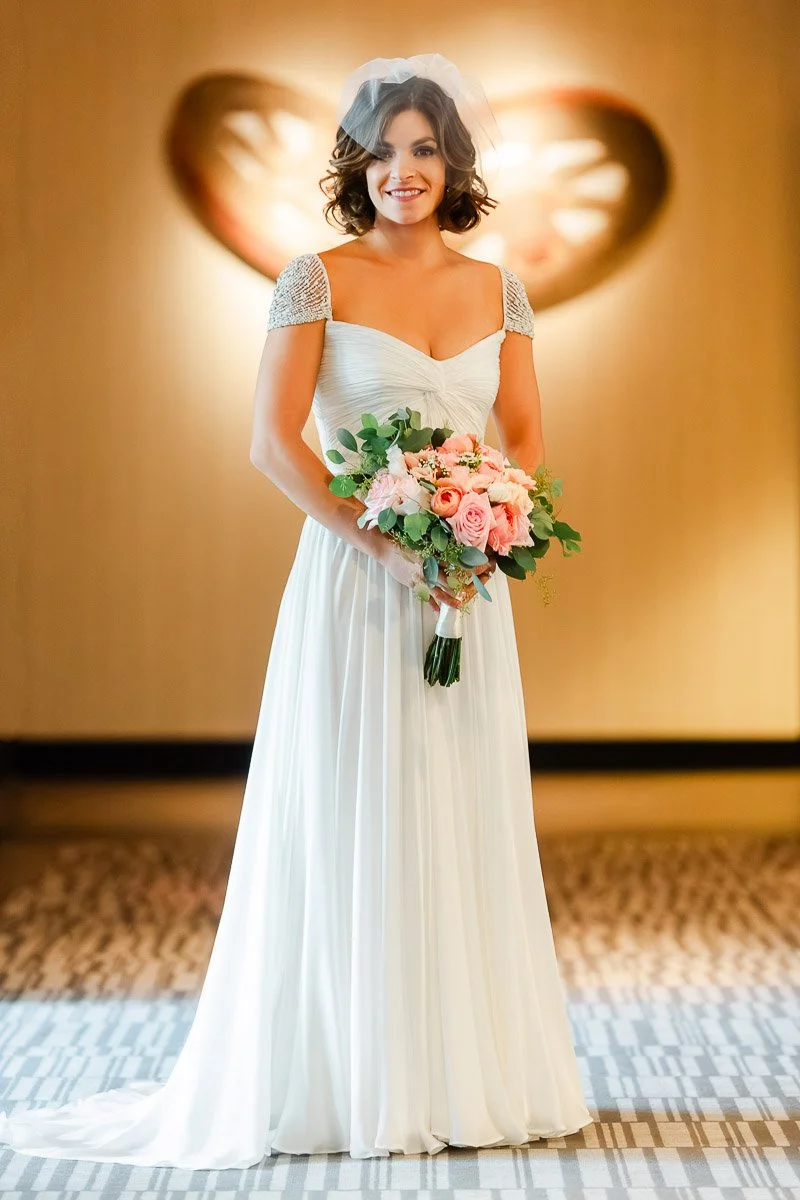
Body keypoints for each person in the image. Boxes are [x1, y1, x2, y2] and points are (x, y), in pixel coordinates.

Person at [0, 53, 592, 1168]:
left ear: (452, 164)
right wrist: (383, 543)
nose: (401, 170)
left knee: (452, 807)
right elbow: (273, 442)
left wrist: (488, 522)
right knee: (352, 804)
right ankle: (343, 1075)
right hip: (355, 585)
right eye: (381, 149)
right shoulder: (313, 278)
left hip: (462, 589)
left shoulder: (498, 290)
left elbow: (524, 429)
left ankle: (462, 1075)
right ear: (354, 163)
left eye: (423, 148)